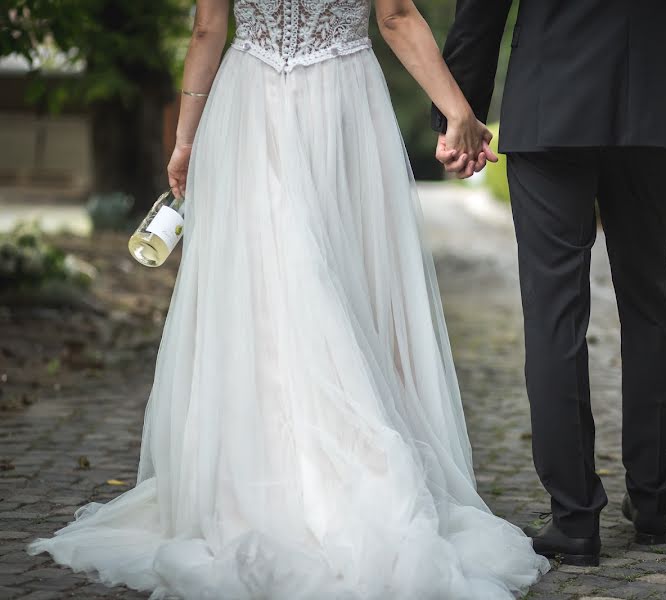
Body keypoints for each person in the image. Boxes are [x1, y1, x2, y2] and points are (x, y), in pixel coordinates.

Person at [25, 0, 550, 597]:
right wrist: (459, 111)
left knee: (267, 286)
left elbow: (207, 28)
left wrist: (184, 141)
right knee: (342, 285)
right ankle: (348, 473)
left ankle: (261, 479)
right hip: (342, 102)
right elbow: (398, 15)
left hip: (251, 104)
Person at [433, 0, 666, 566]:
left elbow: (480, 11)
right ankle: (654, 497)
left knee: (553, 312)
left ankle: (575, 517)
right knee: (648, 299)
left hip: (550, 102)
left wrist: (457, 117)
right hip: (659, 106)